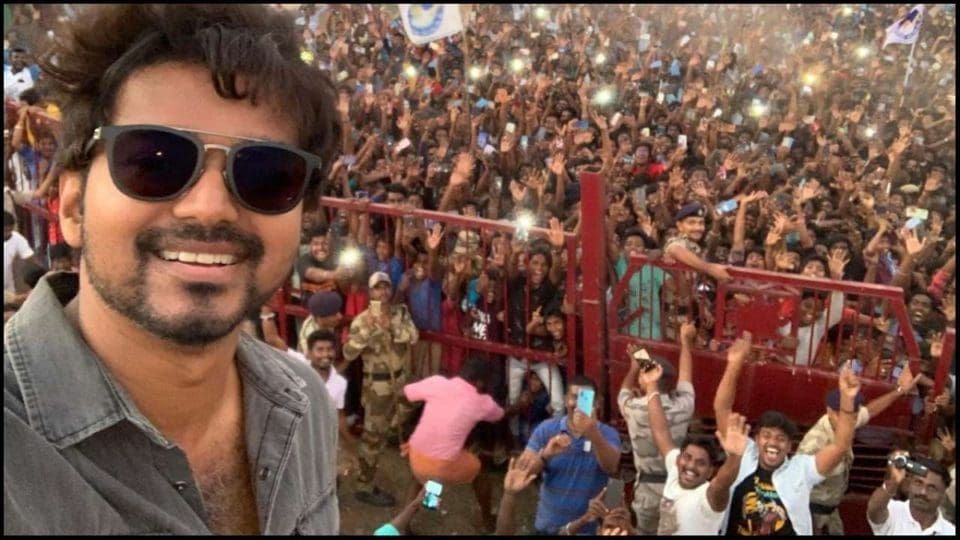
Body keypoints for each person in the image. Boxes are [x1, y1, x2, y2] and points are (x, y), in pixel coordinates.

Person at [4, 4, 341, 535]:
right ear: (72, 208)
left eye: (266, 174)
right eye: (153, 162)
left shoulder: (306, 406)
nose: (209, 208)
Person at [714, 333, 862, 536]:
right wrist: (734, 363)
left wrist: (847, 399)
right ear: (756, 439)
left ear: (790, 446)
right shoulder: (744, 454)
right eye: (766, 435)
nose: (773, 443)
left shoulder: (801, 470)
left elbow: (840, 446)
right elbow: (722, 409)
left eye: (781, 438)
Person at [640, 344, 752, 535]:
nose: (691, 466)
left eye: (701, 463)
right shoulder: (675, 470)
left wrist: (735, 457)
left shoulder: (709, 499)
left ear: (710, 472)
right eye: (688, 458)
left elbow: (722, 483)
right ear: (678, 459)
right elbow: (660, 431)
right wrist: (651, 385)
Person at [798, 366, 921, 535]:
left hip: (830, 510)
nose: (852, 419)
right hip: (811, 513)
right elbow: (797, 486)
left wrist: (899, 391)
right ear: (830, 412)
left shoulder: (845, 422)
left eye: (854, 414)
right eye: (846, 414)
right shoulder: (815, 443)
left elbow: (870, 410)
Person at [343, 271, 419, 507]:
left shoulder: (400, 312)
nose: (383, 292)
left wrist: (392, 328)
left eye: (386, 287)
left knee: (401, 419)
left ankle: (392, 438)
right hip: (377, 387)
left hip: (400, 381)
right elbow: (349, 353)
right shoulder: (361, 320)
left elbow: (413, 336)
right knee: (372, 438)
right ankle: (364, 485)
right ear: (370, 292)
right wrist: (368, 331)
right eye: (377, 288)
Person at [401, 356, 505, 527]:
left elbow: (407, 392)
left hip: (416, 455)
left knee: (420, 476)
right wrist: (521, 404)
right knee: (479, 473)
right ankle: (487, 521)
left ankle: (404, 523)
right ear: (480, 383)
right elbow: (499, 414)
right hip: (440, 465)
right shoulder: (482, 402)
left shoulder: (437, 382)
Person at [515, 375, 622, 535]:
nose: (578, 404)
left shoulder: (608, 434)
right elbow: (523, 473)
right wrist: (545, 455)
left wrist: (593, 433)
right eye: (574, 397)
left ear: (597, 403)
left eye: (585, 399)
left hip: (589, 530)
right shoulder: (546, 429)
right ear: (566, 400)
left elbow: (610, 467)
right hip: (550, 527)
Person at [618, 322, 697, 534]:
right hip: (676, 487)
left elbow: (624, 392)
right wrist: (685, 342)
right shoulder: (684, 407)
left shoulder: (634, 409)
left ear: (644, 379)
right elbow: (686, 376)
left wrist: (635, 365)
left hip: (647, 491)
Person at [867, 452, 955, 535]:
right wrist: (894, 482)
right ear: (909, 484)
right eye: (918, 483)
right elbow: (874, 509)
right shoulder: (892, 510)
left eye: (931, 488)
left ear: (943, 495)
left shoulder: (950, 532)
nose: (923, 492)